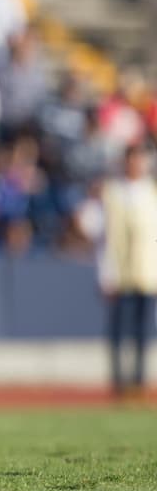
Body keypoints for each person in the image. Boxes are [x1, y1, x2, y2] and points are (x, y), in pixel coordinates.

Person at [99, 143, 157, 398]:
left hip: (147, 270)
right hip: (120, 271)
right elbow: (104, 236)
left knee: (143, 330)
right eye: (132, 159)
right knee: (119, 329)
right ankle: (119, 383)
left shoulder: (151, 192)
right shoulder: (112, 192)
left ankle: (139, 381)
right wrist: (105, 272)